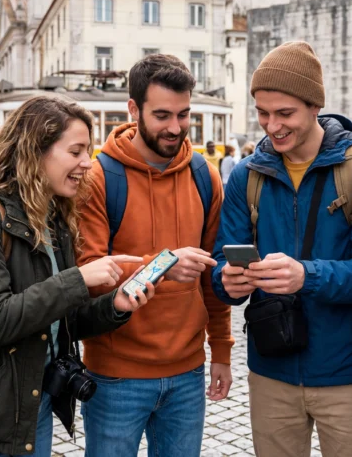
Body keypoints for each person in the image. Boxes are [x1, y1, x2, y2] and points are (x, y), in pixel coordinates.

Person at [0, 95, 156, 457]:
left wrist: (115, 305)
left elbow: (61, 320)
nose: (86, 164)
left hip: (32, 407)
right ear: (35, 151)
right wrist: (79, 279)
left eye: (87, 152)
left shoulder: (52, 217)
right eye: (75, 151)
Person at [214, 42, 352, 456]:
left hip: (346, 371)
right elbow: (221, 265)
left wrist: (305, 276)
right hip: (271, 368)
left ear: (314, 106)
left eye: (285, 113)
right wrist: (228, 280)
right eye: (262, 113)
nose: (271, 126)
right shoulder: (245, 176)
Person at [76, 54, 233, 457]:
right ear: (134, 109)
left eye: (183, 115)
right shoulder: (99, 178)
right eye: (162, 115)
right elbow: (87, 276)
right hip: (115, 375)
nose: (176, 127)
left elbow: (211, 276)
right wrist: (163, 266)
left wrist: (221, 350)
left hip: (187, 373)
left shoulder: (204, 174)